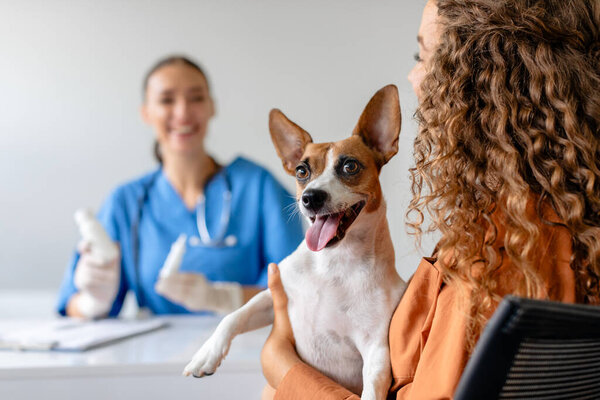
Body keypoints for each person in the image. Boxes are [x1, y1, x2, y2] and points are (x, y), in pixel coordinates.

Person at [260, 0, 600, 398]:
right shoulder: (567, 218)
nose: (413, 75)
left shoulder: (501, 250)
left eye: (424, 54)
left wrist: (283, 367)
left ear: (480, 77)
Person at [56, 55, 304, 319]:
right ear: (146, 113)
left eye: (196, 98)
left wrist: (221, 298)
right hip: (153, 355)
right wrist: (93, 301)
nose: (183, 112)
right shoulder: (126, 202)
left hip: (245, 352)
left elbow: (299, 288)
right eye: (166, 100)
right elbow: (69, 306)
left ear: (212, 107)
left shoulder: (258, 187)